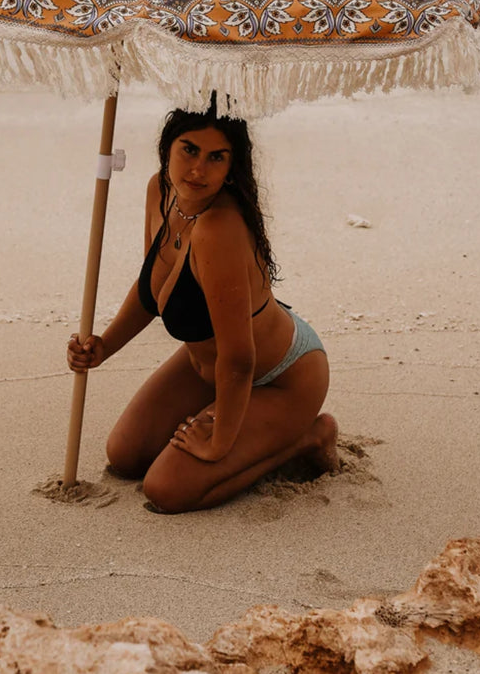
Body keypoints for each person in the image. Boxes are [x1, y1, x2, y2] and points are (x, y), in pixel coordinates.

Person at [67, 99, 338, 513]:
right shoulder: (160, 191)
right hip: (211, 369)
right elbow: (152, 291)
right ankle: (243, 433)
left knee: (166, 489)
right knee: (125, 455)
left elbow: (239, 359)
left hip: (278, 377)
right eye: (189, 150)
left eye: (217, 157)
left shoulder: (220, 229)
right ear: (167, 148)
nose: (198, 169)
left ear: (232, 167)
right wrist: (104, 346)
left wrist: (219, 442)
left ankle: (308, 437)